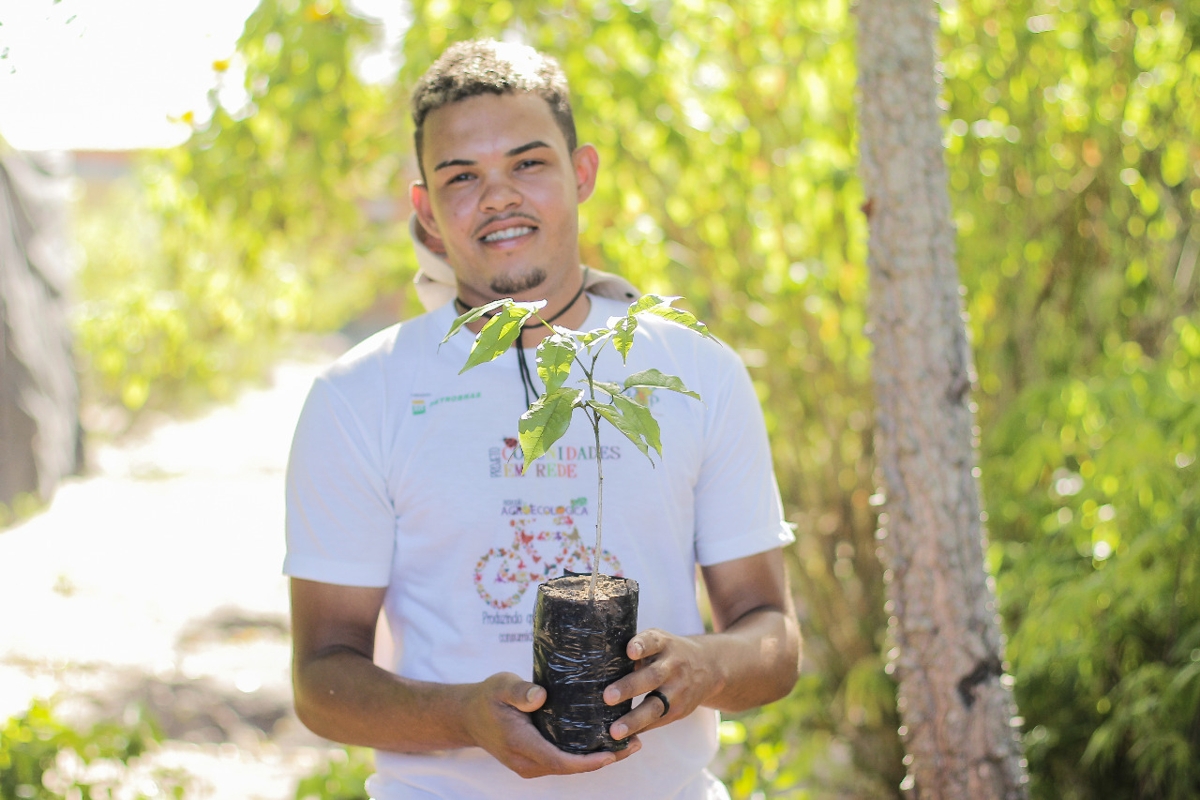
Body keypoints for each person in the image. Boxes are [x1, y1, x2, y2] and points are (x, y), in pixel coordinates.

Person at [284, 38, 800, 799]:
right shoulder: (362, 394)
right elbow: (321, 678)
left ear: (581, 173)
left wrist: (705, 667)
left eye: (527, 164)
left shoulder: (694, 372)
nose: (498, 198)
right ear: (426, 212)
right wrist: (464, 716)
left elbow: (772, 636)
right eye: (462, 177)